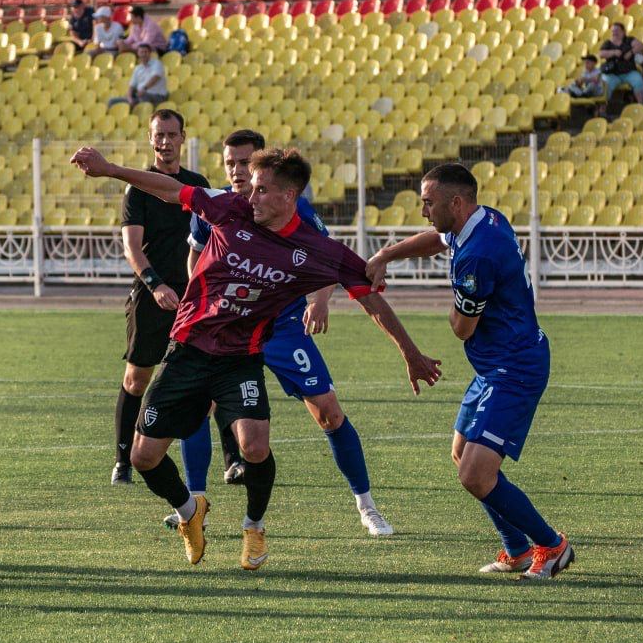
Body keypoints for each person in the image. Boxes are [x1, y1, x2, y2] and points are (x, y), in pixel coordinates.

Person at [72, 145, 441, 570]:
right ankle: (191, 510)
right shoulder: (230, 208)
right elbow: (172, 191)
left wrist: (410, 352)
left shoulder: (316, 246)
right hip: (189, 350)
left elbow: (371, 299)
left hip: (241, 356)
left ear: (289, 197)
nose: (251, 196)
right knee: (143, 458)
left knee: (255, 444)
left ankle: (255, 527)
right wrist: (111, 170)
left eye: (262, 189)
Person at [167, 129, 403, 537]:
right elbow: (196, 255)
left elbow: (323, 262)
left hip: (283, 327)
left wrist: (320, 301)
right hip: (226, 330)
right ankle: (194, 502)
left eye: (245, 163)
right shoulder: (220, 206)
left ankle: (367, 506)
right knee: (196, 409)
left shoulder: (297, 210)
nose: (237, 172)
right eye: (230, 164)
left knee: (327, 410)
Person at [365, 163, 574, 581]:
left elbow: (462, 328)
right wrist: (386, 253)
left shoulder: (477, 255)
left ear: (455, 203)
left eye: (428, 202)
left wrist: (459, 295)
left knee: (475, 474)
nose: (423, 210)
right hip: (496, 364)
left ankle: (552, 546)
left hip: (514, 368)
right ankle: (515, 548)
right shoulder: (485, 219)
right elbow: (435, 240)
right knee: (463, 455)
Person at [112, 110, 209, 485]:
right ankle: (123, 458)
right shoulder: (138, 188)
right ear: (150, 138)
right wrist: (156, 285)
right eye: (159, 135)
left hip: (193, 297)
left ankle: (232, 459)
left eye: (172, 134)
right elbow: (132, 248)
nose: (165, 142)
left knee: (205, 377)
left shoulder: (197, 185)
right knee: (137, 379)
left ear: (183, 137)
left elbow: (212, 240)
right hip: (151, 296)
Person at [598, 22, 643, 107]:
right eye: (613, 31)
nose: (614, 33)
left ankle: (640, 105)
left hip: (628, 71)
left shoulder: (629, 40)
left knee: (638, 80)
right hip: (613, 73)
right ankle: (602, 109)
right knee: (605, 85)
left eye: (617, 30)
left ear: (623, 31)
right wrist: (613, 52)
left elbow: (641, 46)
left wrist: (631, 52)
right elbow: (601, 54)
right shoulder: (608, 43)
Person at [108, 43, 167, 108]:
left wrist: (144, 89)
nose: (144, 54)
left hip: (157, 96)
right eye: (141, 52)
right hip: (140, 96)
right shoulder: (138, 68)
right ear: (138, 53)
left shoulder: (157, 63)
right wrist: (130, 98)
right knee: (112, 101)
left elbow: (155, 77)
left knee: (142, 96)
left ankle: (142, 114)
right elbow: (132, 86)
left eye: (146, 52)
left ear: (150, 53)